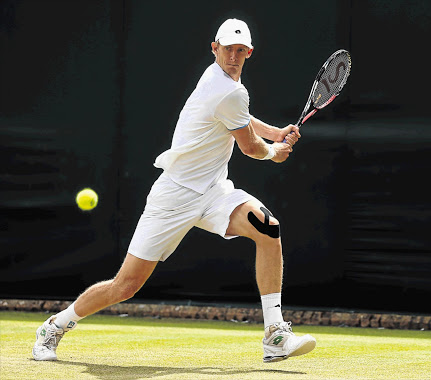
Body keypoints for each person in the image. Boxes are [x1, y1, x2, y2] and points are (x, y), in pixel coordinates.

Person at [33, 18, 316, 363]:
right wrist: (274, 152)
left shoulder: (224, 84)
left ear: (249, 53)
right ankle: (54, 326)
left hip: (213, 192)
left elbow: (238, 117)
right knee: (126, 286)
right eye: (228, 49)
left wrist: (274, 132)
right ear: (215, 49)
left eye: (241, 50)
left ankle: (274, 335)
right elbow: (249, 147)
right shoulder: (228, 88)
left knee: (267, 227)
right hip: (175, 196)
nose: (234, 56)